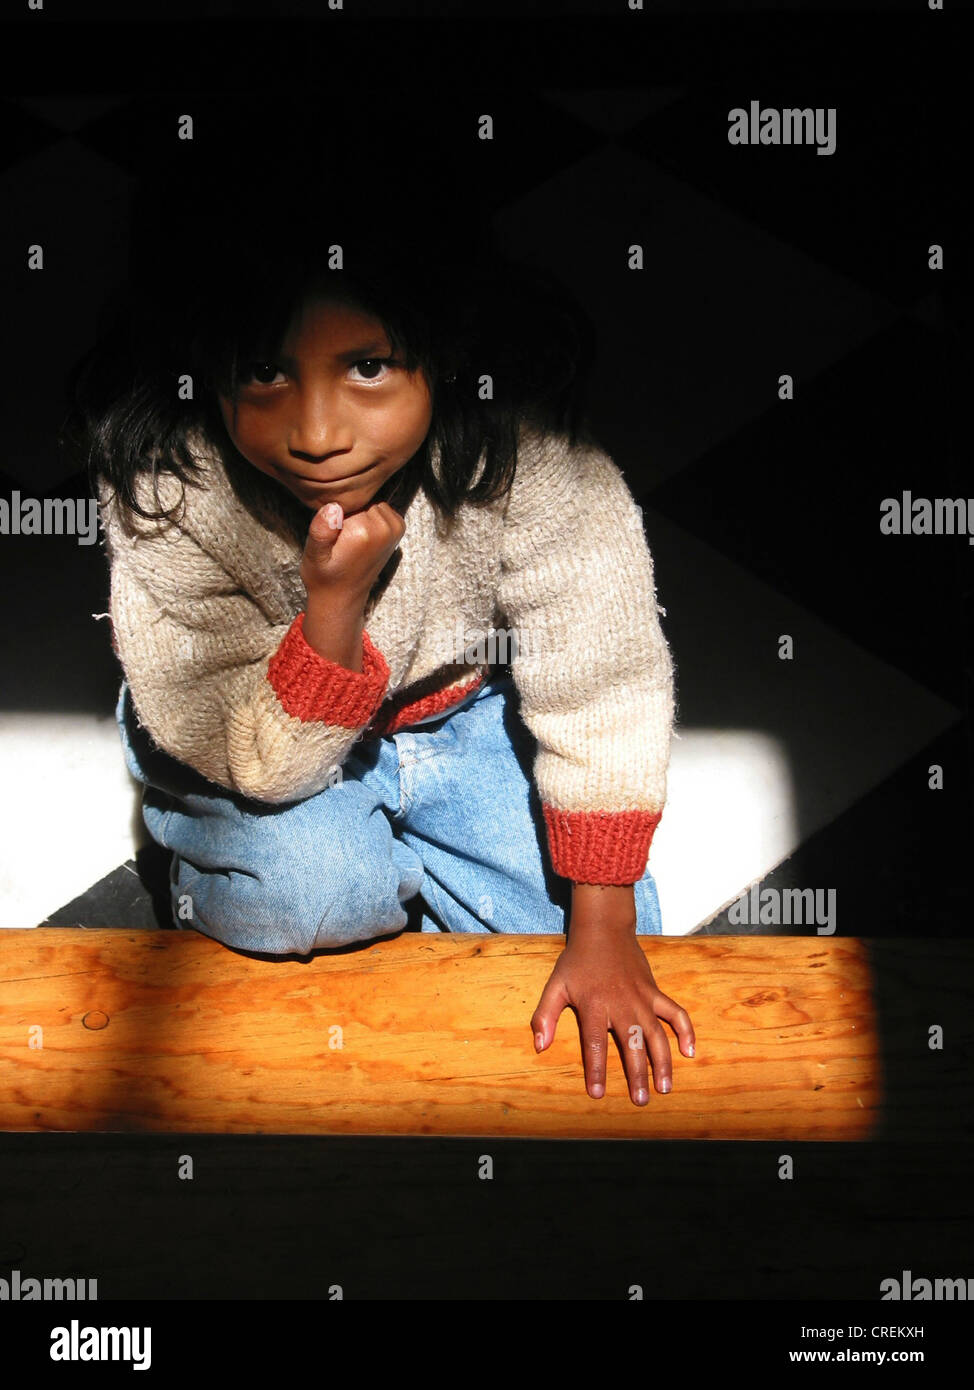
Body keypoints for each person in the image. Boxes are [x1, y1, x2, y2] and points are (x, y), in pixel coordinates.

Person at [60, 104, 695, 1106]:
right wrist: (330, 615)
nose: (316, 433)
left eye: (367, 366)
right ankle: (180, 807)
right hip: (256, 732)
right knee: (305, 898)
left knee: (604, 931)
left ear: (445, 345)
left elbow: (601, 677)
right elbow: (260, 768)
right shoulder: (169, 473)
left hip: (460, 712)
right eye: (263, 371)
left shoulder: (528, 452)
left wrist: (603, 926)